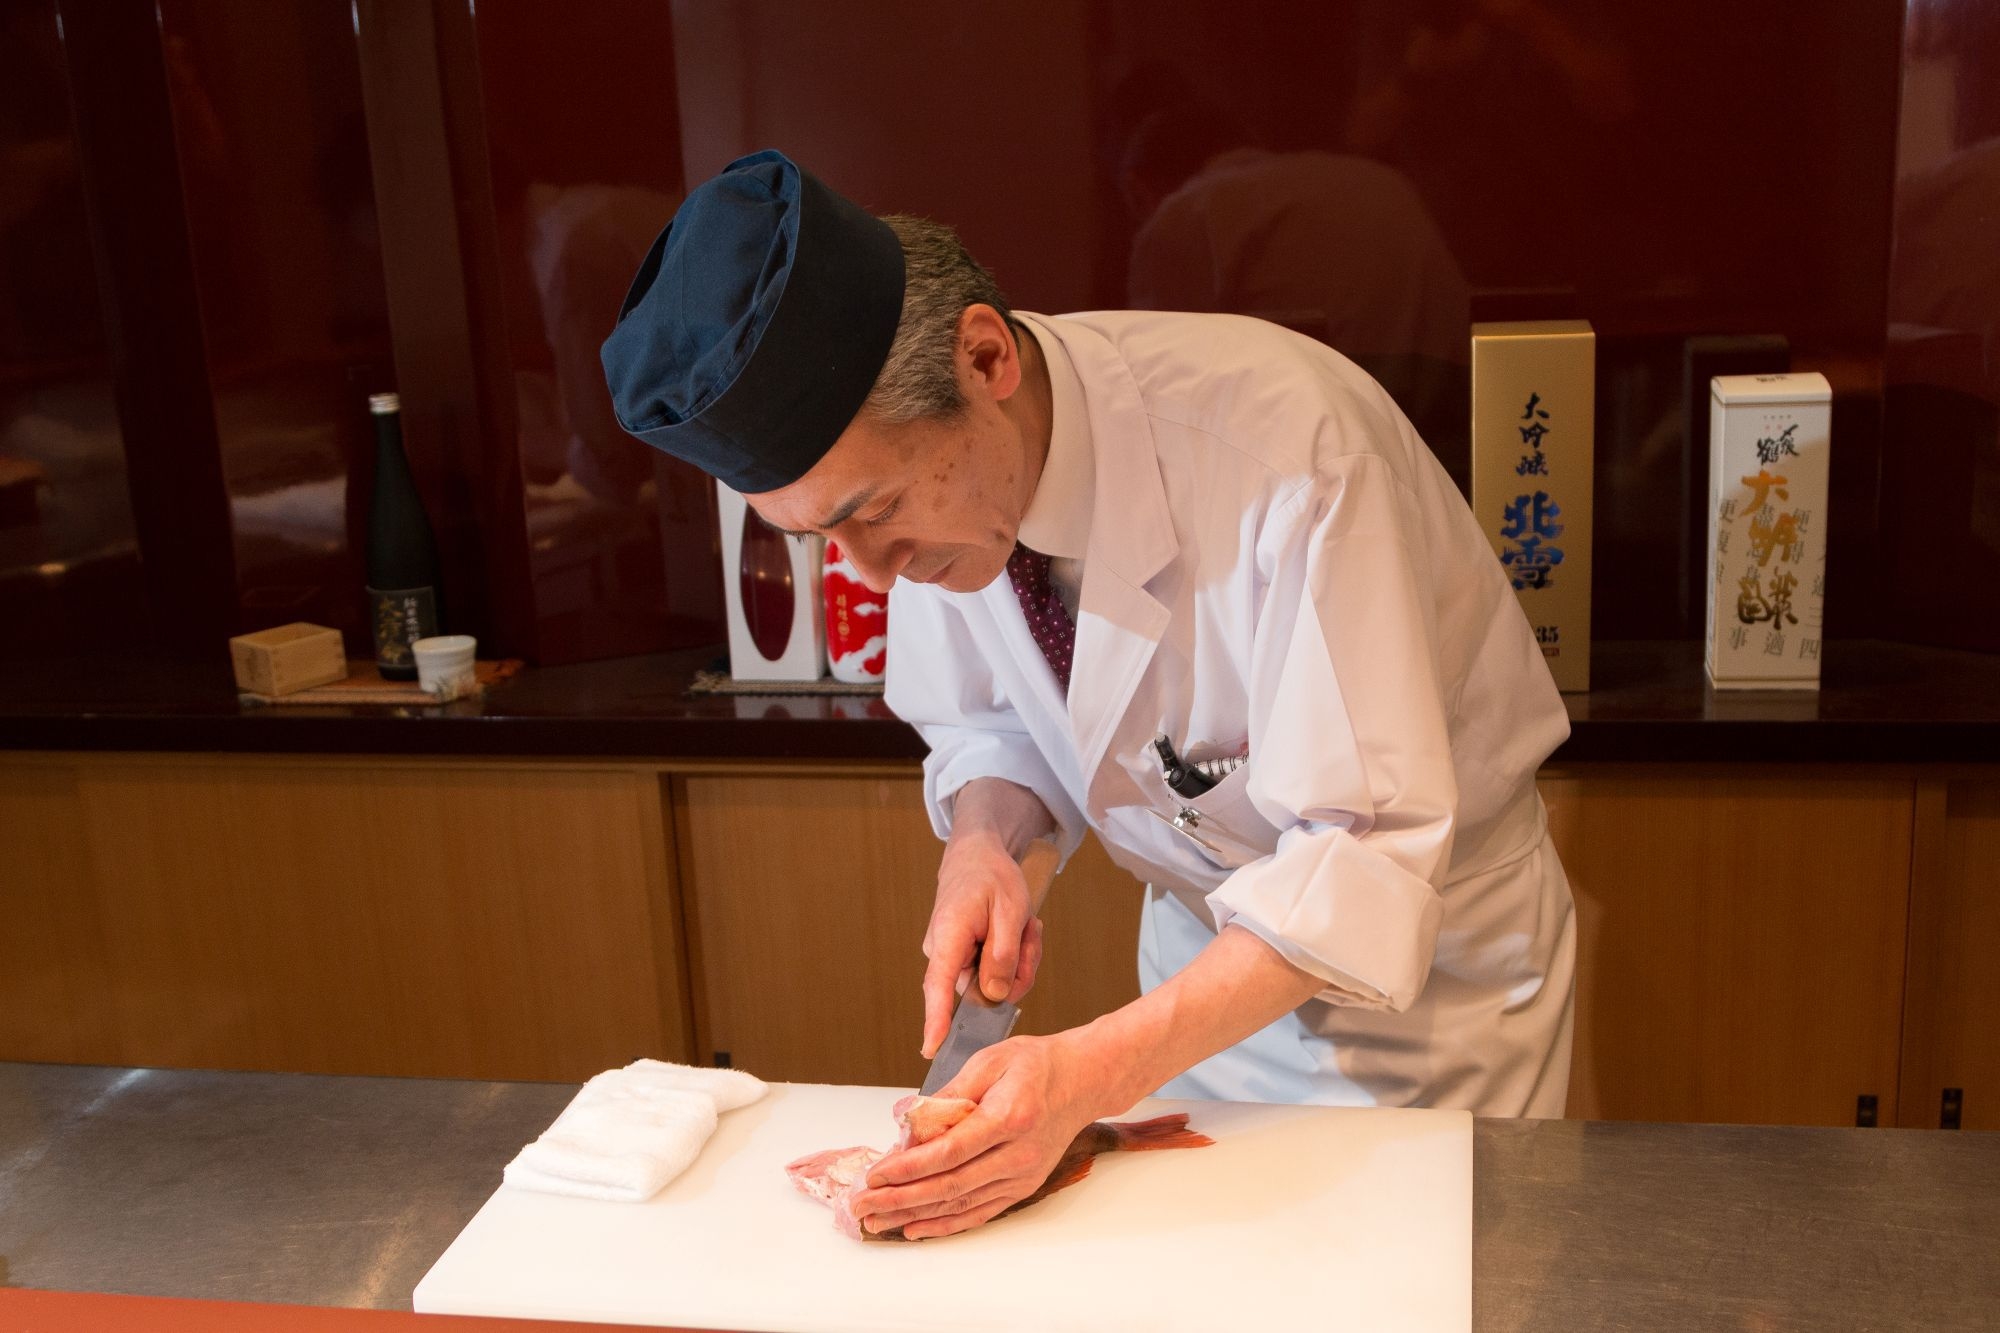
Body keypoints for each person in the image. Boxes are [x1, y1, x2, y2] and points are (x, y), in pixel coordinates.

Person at [602, 150, 1575, 1241]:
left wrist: (1091, 1070)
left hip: (1427, 1009)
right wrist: (988, 849)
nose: (869, 574)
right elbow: (994, 723)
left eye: (871, 511)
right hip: (1196, 983)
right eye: (821, 534)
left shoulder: (1290, 459)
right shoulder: (944, 490)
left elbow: (1362, 852)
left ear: (983, 358)